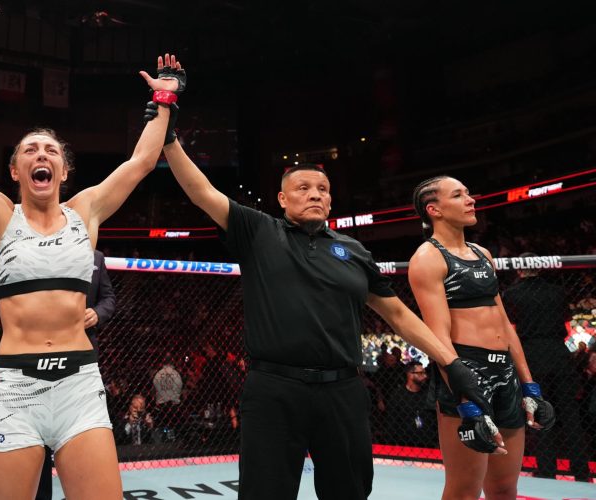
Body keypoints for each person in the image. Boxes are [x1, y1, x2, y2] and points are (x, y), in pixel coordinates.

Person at [0, 11, 183, 499]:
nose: (42, 154)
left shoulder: (86, 212)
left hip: (80, 387)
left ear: (64, 170)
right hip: (16, 389)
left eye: (51, 150)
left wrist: (164, 98)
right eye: (31, 150)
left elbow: (143, 161)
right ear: (15, 171)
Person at [156, 123, 493, 498]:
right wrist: (169, 140)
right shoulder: (259, 231)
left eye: (322, 189)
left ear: (331, 202)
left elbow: (398, 315)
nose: (315, 194)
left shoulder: (355, 252)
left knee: (349, 492)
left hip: (343, 391)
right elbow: (201, 192)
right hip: (274, 391)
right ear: (282, 199)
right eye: (303, 188)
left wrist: (451, 363)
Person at [409, 176, 555, 500]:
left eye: (467, 192)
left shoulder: (482, 254)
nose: (471, 199)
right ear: (434, 210)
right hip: (466, 372)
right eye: (458, 195)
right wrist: (466, 401)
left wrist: (529, 386)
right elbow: (439, 336)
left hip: (505, 372)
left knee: (504, 488)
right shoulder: (428, 258)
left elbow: (503, 322)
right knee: (464, 490)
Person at [35, 248, 116, 500]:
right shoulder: (42, 249)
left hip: (83, 353)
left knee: (81, 424)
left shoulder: (96, 257)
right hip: (42, 349)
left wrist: (98, 313)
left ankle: (80, 490)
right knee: (40, 425)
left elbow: (109, 298)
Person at [502, 254, 590, 480]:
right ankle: (581, 471)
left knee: (539, 412)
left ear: (519, 269)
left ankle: (547, 469)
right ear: (539, 268)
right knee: (570, 414)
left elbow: (511, 331)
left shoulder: (512, 294)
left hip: (531, 356)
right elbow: (567, 327)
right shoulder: (557, 292)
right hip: (559, 354)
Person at [383, 361, 437, 448]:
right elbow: (391, 421)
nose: (425, 376)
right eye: (420, 373)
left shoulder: (428, 394)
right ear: (410, 375)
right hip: (404, 442)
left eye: (424, 373)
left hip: (427, 442)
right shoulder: (398, 395)